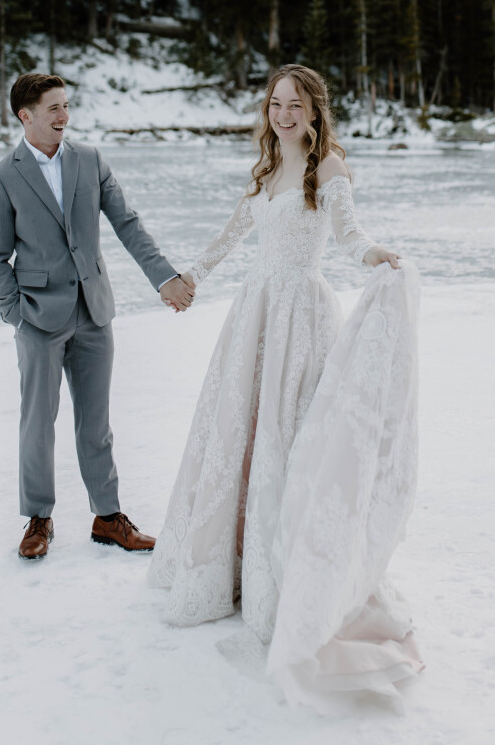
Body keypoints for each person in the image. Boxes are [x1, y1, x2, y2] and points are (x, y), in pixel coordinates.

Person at [148, 64, 424, 708]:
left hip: (301, 318)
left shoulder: (327, 167)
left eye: (295, 104)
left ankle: (287, 574)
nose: (283, 114)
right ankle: (235, 564)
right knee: (239, 436)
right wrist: (189, 277)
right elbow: (231, 235)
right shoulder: (268, 166)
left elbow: (350, 235)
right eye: (275, 103)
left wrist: (376, 255)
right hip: (255, 313)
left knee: (289, 440)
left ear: (314, 109)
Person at [0, 73, 194, 560]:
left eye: (66, 105)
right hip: (38, 318)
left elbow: (127, 224)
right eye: (53, 108)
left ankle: (108, 517)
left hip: (94, 311)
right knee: (38, 423)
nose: (64, 116)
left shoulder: (90, 160)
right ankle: (38, 518)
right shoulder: (3, 176)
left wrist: (164, 278)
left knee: (96, 423)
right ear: (25, 116)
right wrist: (16, 314)